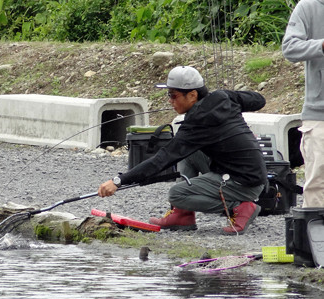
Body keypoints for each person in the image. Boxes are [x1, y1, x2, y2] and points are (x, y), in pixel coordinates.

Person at [98, 66, 267, 235]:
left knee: (177, 194)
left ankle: (240, 206)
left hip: (245, 182)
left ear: (193, 95)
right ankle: (182, 215)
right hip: (249, 170)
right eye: (168, 95)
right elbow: (259, 100)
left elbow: (161, 160)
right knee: (188, 152)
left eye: (173, 95)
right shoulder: (222, 98)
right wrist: (226, 96)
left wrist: (119, 181)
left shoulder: (196, 124)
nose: (170, 100)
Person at [282, 0, 324, 208]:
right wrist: (321, 45)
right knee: (318, 182)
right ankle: (316, 237)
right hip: (319, 115)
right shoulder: (308, 7)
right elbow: (289, 48)